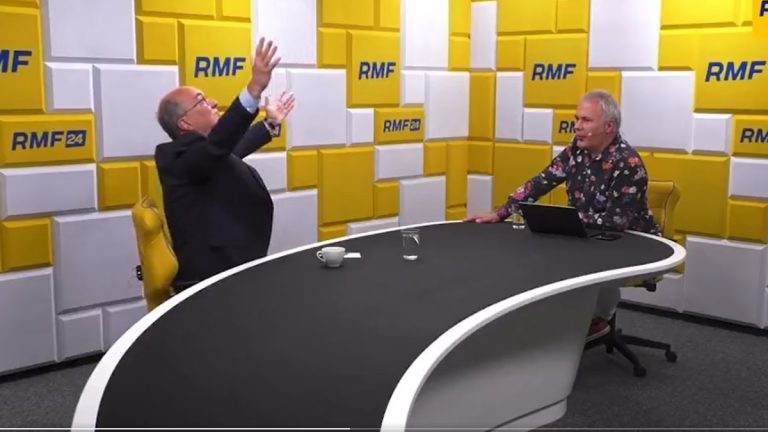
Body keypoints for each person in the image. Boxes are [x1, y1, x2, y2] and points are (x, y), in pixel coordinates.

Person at [464, 89, 660, 339]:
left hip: (629, 242)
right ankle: (564, 319)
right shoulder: (576, 150)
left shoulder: (628, 163)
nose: (577, 126)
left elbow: (615, 222)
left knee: (586, 263)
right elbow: (541, 181)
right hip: (589, 235)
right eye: (577, 119)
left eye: (586, 120)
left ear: (609, 126)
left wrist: (569, 220)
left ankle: (599, 317)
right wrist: (502, 212)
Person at [154, 37, 295, 292]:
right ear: (185, 123)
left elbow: (231, 148)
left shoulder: (204, 156)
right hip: (211, 284)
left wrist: (269, 124)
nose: (213, 102)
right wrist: (254, 88)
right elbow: (218, 146)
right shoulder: (177, 159)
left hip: (234, 272)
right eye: (201, 101)